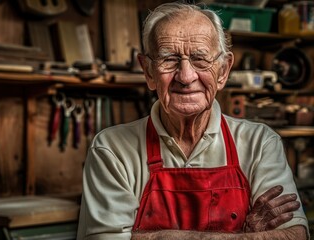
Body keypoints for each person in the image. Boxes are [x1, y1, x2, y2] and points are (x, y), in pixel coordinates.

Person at [77, 2, 309, 240]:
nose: (186, 77)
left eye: (200, 59)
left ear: (223, 71)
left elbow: (295, 235)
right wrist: (244, 236)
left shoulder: (260, 143)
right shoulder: (112, 149)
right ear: (148, 72)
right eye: (169, 59)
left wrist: (146, 237)